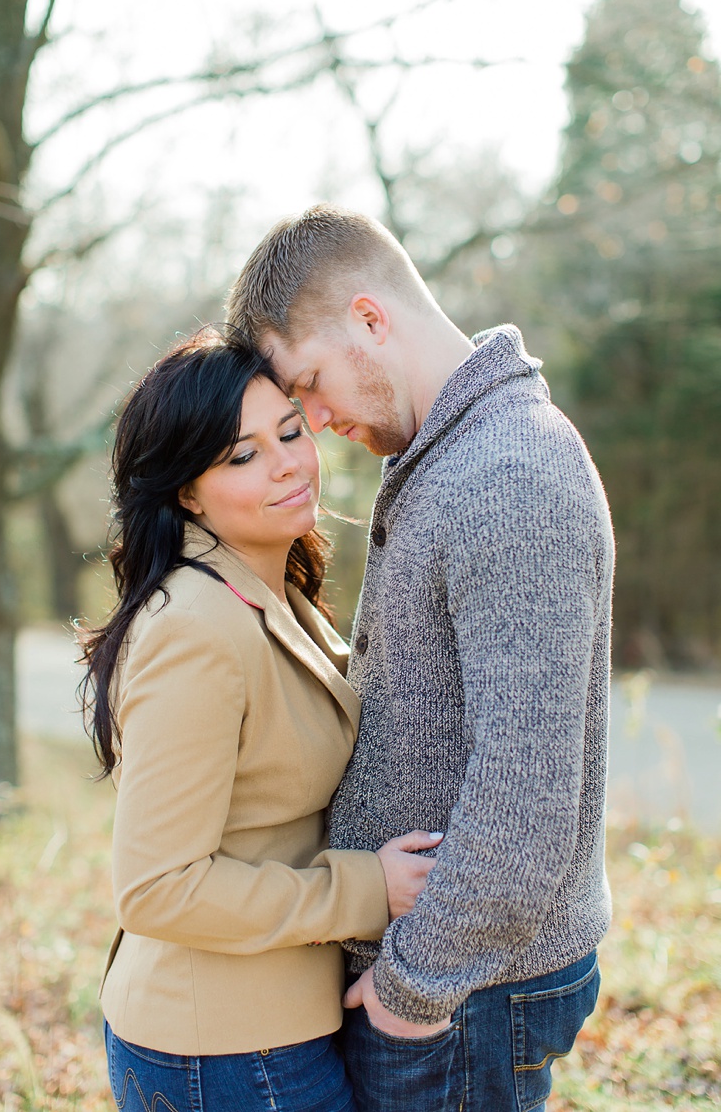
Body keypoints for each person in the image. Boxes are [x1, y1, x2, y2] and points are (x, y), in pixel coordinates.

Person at [225, 203, 613, 1111]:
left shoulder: (509, 474)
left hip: (468, 994)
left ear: (370, 319)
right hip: (452, 977)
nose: (312, 422)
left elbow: (526, 801)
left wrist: (411, 992)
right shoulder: (449, 454)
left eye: (311, 385)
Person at [79, 325, 444, 1112]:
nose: (286, 462)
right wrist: (366, 889)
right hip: (226, 1049)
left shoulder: (269, 589)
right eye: (241, 455)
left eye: (290, 431)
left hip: (266, 1030)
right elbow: (156, 888)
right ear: (185, 491)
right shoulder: (197, 628)